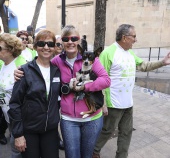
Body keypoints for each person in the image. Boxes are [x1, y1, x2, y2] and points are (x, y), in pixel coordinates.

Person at [13, 25, 111, 158]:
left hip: (92, 118)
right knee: (71, 155)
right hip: (68, 119)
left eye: (74, 38)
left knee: (87, 155)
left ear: (78, 41)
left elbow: (106, 80)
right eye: (66, 39)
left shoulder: (90, 59)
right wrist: (21, 70)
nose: (70, 41)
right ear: (61, 42)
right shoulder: (56, 61)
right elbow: (40, 63)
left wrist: (84, 87)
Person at [92, 24, 170, 158]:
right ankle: (94, 150)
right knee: (107, 130)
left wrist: (162, 62)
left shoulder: (130, 53)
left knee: (126, 132)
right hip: (113, 103)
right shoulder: (108, 52)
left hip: (128, 103)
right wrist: (103, 104)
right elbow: (99, 79)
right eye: (133, 36)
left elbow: (143, 66)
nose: (136, 39)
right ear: (124, 37)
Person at [8, 29, 61, 158]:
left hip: (50, 130)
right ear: (36, 47)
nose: (46, 47)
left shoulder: (57, 71)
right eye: (42, 44)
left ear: (54, 47)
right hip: (29, 130)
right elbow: (15, 104)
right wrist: (18, 134)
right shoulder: (25, 71)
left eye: (50, 44)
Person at [0, 33, 26, 157]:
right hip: (8, 118)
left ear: (10, 50)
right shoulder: (4, 65)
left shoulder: (20, 66)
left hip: (20, 120)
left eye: (0, 48)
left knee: (17, 152)